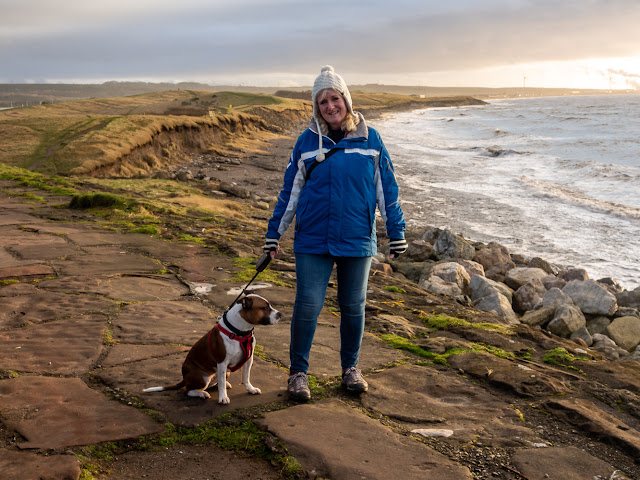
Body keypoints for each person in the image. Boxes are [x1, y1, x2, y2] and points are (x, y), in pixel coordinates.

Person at [263, 65, 407, 402]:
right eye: (323, 101)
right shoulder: (306, 142)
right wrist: (274, 234)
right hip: (313, 239)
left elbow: (386, 188)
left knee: (354, 307)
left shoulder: (371, 139)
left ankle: (350, 369)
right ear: (317, 107)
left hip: (357, 237)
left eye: (335, 98)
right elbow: (291, 192)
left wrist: (395, 230)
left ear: (346, 99)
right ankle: (298, 374)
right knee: (308, 305)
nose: (330, 106)